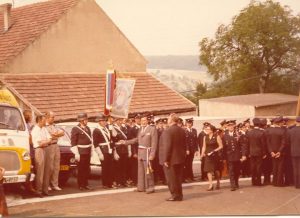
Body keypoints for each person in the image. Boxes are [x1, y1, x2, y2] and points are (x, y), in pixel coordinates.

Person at [122, 114, 158, 194]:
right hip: (140, 152)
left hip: (148, 152)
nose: (143, 122)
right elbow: (136, 140)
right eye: (142, 120)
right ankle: (141, 187)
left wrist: (152, 154)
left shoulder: (152, 129)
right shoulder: (140, 129)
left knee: (148, 171)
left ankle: (150, 187)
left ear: (148, 121)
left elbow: (154, 143)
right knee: (140, 171)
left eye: (144, 120)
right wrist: (125, 142)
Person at [160, 114, 186, 201]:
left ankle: (174, 195)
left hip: (171, 159)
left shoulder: (167, 131)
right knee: (178, 178)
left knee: (171, 178)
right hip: (180, 158)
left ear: (171, 120)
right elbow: (184, 145)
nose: (167, 120)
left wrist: (166, 159)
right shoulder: (182, 130)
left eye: (168, 119)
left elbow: (167, 146)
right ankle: (179, 195)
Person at [222, 120, 248, 191]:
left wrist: (243, 155)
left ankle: (236, 182)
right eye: (229, 126)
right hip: (229, 156)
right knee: (231, 170)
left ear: (234, 126)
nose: (230, 127)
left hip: (237, 155)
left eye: (232, 126)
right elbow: (224, 148)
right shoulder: (224, 136)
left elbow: (243, 145)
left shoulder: (238, 134)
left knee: (237, 170)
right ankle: (232, 185)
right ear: (227, 127)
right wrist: (223, 157)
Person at [71, 113, 93, 191]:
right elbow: (73, 142)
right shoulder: (75, 129)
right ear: (81, 120)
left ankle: (86, 184)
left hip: (87, 151)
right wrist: (76, 153)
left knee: (87, 169)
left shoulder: (88, 128)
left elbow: (90, 141)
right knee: (81, 169)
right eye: (85, 119)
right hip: (80, 152)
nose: (87, 121)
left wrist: (91, 151)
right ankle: (81, 185)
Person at [31, 114, 52, 197]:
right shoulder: (35, 130)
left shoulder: (44, 129)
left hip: (46, 149)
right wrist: (46, 141)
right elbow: (40, 143)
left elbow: (50, 139)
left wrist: (45, 141)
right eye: (43, 120)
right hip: (39, 150)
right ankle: (38, 191)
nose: (45, 122)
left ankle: (45, 190)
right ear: (39, 121)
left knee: (47, 170)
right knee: (40, 171)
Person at [45, 111, 65, 191]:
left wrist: (56, 135)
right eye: (52, 117)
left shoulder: (54, 125)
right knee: (50, 167)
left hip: (56, 145)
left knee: (56, 166)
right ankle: (47, 184)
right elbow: (49, 136)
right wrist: (56, 135)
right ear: (47, 117)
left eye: (54, 117)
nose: (53, 119)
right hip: (49, 146)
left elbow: (62, 133)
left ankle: (55, 184)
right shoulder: (44, 126)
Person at [200, 124, 223, 191]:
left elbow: (221, 146)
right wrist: (202, 154)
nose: (206, 130)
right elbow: (204, 146)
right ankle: (211, 185)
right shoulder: (205, 137)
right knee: (208, 170)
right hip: (208, 155)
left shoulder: (217, 136)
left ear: (212, 130)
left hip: (215, 155)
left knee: (216, 170)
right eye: (206, 129)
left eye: (208, 129)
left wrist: (214, 151)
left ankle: (218, 182)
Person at [93, 114, 113, 189]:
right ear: (99, 122)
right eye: (103, 121)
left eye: (105, 121)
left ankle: (109, 183)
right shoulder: (96, 130)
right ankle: (105, 184)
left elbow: (111, 139)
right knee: (105, 168)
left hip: (109, 150)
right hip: (103, 150)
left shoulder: (107, 128)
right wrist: (100, 153)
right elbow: (95, 144)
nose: (105, 122)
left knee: (110, 167)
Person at [266, 117, 286, 187]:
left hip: (272, 152)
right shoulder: (282, 131)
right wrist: (279, 152)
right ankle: (279, 182)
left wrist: (271, 151)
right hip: (280, 152)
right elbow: (283, 143)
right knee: (280, 167)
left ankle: (274, 182)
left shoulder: (269, 131)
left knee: (274, 166)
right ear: (279, 123)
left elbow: (268, 142)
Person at [247, 118, 267, 186]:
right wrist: (264, 153)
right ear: (259, 124)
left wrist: (248, 152)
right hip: (259, 152)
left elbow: (247, 144)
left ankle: (253, 181)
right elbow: (263, 144)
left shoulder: (249, 132)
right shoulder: (261, 133)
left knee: (252, 167)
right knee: (259, 167)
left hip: (251, 152)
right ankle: (258, 182)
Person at [287, 116, 300, 189]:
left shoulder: (290, 131)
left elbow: (288, 142)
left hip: (293, 151)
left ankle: (296, 184)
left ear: (296, 122)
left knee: (295, 168)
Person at [184, 118, 198, 182]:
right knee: (187, 164)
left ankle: (191, 177)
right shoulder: (184, 130)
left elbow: (195, 141)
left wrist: (196, 150)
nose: (189, 124)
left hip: (192, 149)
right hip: (187, 150)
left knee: (190, 163)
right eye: (188, 123)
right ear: (186, 123)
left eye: (190, 123)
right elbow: (185, 141)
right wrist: (187, 149)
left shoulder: (194, 130)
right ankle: (187, 177)